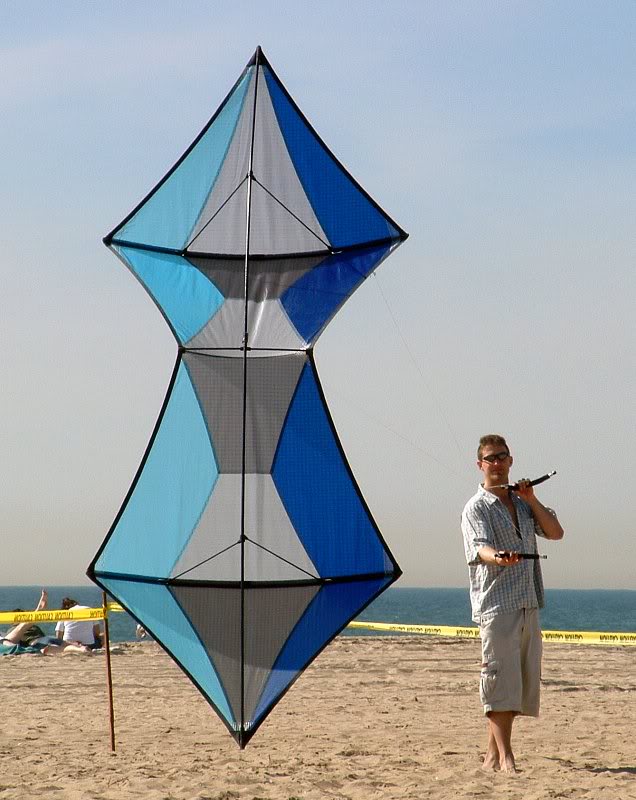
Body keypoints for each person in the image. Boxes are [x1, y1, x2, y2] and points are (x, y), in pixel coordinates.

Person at [461, 434, 564, 773]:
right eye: (490, 458)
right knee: (497, 679)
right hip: (496, 604)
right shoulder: (475, 507)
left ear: (511, 460)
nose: (497, 463)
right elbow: (479, 548)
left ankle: (491, 755)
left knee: (515, 683)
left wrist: (531, 499)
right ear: (480, 465)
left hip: (526, 601)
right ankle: (506, 756)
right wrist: (498, 557)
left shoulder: (521, 503)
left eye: (502, 457)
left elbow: (555, 531)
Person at [1, 590, 91, 655]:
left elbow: (10, 643)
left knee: (58, 649)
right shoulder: (34, 627)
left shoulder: (13, 629)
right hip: (48, 637)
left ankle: (80, 650)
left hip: (38, 642)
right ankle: (81, 647)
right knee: (64, 644)